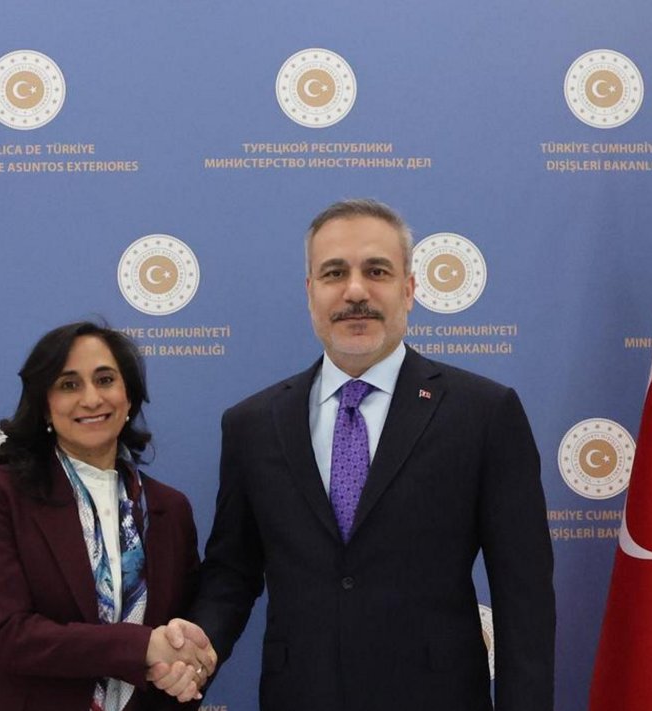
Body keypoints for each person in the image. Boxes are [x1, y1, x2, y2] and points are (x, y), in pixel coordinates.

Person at [180, 199, 555, 710]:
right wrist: (196, 652)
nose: (355, 291)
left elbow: (524, 596)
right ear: (310, 293)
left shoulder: (484, 413)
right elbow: (232, 573)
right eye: (334, 273)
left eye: (376, 271)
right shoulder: (252, 424)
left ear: (409, 288)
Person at [0, 321, 216, 711]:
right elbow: (10, 636)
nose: (91, 398)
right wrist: (143, 647)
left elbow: (182, 632)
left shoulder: (169, 508)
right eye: (69, 384)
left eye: (105, 379)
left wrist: (184, 663)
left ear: (128, 397)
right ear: (45, 403)